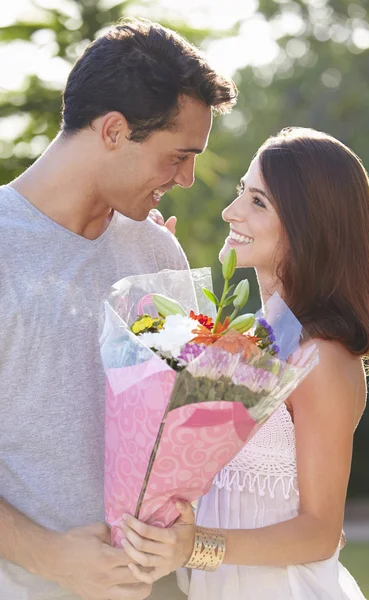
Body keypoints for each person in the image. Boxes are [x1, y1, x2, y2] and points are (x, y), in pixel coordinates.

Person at [0, 18, 237, 600]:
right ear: (112, 130)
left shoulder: (157, 249)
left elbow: (183, 420)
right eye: (178, 155)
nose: (187, 178)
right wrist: (51, 555)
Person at [120, 127, 369, 599]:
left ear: (311, 225)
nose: (231, 212)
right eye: (240, 194)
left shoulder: (322, 359)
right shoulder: (249, 338)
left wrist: (196, 547)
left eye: (258, 202)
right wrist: (153, 302)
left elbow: (320, 533)